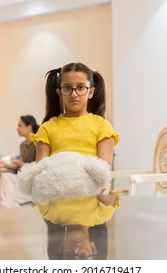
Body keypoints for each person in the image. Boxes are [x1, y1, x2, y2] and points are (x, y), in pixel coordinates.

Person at [30, 62, 120, 259]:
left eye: (80, 87)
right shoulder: (47, 128)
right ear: (59, 92)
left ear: (90, 92)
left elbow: (104, 170)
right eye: (67, 88)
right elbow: (40, 172)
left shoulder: (101, 125)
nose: (74, 93)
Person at [0, 115, 39, 208]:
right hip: (22, 177)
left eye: (20, 126)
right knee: (13, 203)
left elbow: (38, 167)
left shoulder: (38, 143)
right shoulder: (22, 145)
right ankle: (6, 213)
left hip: (33, 181)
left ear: (29, 127)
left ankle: (2, 211)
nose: (17, 129)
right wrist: (5, 165)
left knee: (6, 177)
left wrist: (21, 164)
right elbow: (19, 166)